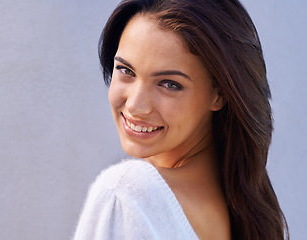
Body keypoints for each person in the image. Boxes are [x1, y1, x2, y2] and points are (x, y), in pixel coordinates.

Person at [73, 0, 288, 239]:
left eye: (169, 84)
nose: (135, 105)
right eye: (126, 70)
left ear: (219, 94)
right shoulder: (242, 210)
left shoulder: (126, 195)